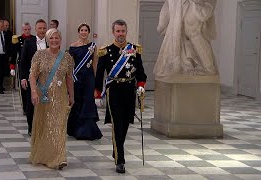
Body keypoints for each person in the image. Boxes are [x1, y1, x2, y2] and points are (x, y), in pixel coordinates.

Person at [94, 19, 147, 173]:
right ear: (113, 32)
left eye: (123, 31)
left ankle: (117, 149)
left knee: (125, 123)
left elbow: (140, 72)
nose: (120, 34)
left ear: (126, 31)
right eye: (117, 31)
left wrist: (141, 86)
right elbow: (99, 73)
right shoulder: (106, 50)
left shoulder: (134, 50)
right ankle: (120, 160)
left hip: (129, 90)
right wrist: (97, 92)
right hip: (114, 91)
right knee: (117, 123)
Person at [29, 28, 74, 169]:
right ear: (47, 40)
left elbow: (69, 78)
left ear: (60, 40)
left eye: (57, 38)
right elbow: (32, 75)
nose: (54, 40)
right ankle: (44, 155)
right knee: (45, 125)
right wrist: (34, 92)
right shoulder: (39, 55)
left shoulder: (67, 57)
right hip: (44, 97)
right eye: (51, 38)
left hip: (61, 97)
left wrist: (71, 95)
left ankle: (59, 158)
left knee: (59, 126)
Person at [154, 0, 218, 77]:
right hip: (184, 5)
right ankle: (190, 65)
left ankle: (208, 67)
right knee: (184, 34)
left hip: (194, 5)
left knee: (193, 33)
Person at [67, 23, 102, 140]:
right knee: (78, 101)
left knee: (88, 101)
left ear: (88, 32)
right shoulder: (73, 46)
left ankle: (87, 131)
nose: (83, 32)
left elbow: (95, 62)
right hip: (77, 78)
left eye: (86, 30)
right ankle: (76, 129)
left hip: (89, 78)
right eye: (81, 30)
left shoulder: (92, 46)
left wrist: (95, 77)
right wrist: (71, 77)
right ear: (78, 32)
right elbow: (70, 64)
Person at [20, 19, 48, 136]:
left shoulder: (51, 41)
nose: (42, 30)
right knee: (31, 104)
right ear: (35, 29)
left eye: (44, 28)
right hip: (32, 78)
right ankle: (31, 128)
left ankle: (45, 128)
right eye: (40, 28)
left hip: (48, 79)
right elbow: (23, 62)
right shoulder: (28, 42)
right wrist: (23, 78)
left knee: (46, 104)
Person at [10, 22, 34, 115]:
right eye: (25, 29)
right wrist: (12, 67)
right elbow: (14, 54)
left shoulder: (34, 39)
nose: (27, 31)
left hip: (33, 65)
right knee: (24, 88)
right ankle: (25, 108)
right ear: (22, 30)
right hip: (22, 66)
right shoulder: (18, 40)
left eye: (28, 29)